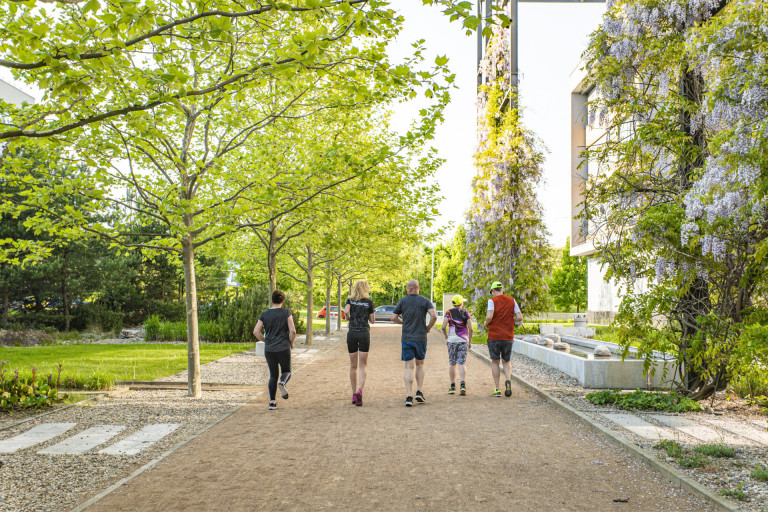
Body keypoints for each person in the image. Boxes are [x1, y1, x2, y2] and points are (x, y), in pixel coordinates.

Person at [391, 279, 437, 407]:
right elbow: (434, 316)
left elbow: (393, 317)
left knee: (409, 367)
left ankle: (408, 396)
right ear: (417, 288)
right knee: (420, 364)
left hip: (407, 338)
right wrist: (428, 327)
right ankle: (419, 391)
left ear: (409, 289)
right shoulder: (425, 300)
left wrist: (402, 322)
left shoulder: (403, 301)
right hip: (420, 337)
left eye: (406, 288)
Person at [253, 290, 296, 410]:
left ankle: (272, 402)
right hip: (283, 347)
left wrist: (265, 340)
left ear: (272, 300)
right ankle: (282, 383)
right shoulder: (286, 313)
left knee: (273, 375)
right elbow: (293, 331)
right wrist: (291, 343)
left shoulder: (264, 314)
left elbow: (256, 331)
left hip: (269, 349)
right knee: (286, 371)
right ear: (283, 300)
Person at [483, 281, 522, 398]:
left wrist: (485, 323)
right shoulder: (512, 300)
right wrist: (510, 320)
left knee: (495, 361)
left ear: (493, 291)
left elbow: (489, 316)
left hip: (494, 336)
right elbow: (519, 317)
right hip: (508, 336)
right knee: (506, 361)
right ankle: (508, 380)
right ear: (502, 290)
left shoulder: (492, 301)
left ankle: (497, 389)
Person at [344, 280, 375, 406]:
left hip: (352, 333)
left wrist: (349, 317)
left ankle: (353, 394)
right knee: (363, 365)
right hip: (364, 334)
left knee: (353, 366)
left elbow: (346, 313)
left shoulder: (349, 301)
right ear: (365, 289)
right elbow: (372, 320)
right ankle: (360, 391)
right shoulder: (369, 302)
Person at [441, 295, 473, 396]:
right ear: (461, 303)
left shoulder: (448, 312)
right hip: (463, 340)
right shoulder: (466, 312)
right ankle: (462, 385)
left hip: (451, 340)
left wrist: (446, 335)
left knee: (452, 363)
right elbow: (471, 329)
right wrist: (470, 341)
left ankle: (452, 386)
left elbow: (443, 326)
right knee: (461, 363)